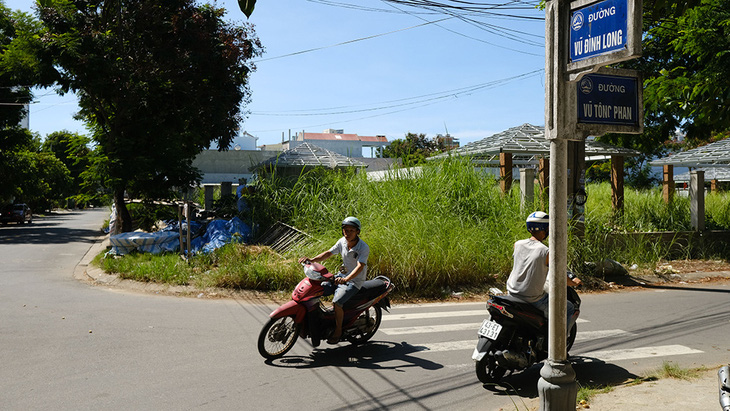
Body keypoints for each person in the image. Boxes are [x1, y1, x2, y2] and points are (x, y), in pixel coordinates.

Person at [298, 216, 369, 344]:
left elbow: (360, 266)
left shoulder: (363, 247)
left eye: (351, 230)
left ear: (358, 232)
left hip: (354, 281)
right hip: (340, 277)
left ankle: (338, 330)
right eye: (345, 230)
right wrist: (312, 260)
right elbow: (329, 253)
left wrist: (347, 278)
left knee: (337, 303)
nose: (347, 233)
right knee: (316, 289)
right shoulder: (342, 241)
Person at [506, 211, 582, 328]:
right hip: (532, 299)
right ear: (546, 229)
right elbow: (560, 275)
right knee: (569, 308)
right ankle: (559, 344)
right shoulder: (546, 251)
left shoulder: (518, 244)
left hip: (511, 293)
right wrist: (573, 282)